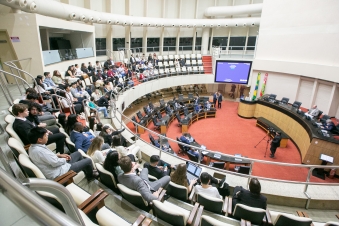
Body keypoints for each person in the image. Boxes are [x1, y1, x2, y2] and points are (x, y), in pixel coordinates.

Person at [28, 127, 96, 181]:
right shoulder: (40, 151)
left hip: (57, 166)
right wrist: (64, 159)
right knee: (88, 160)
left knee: (78, 154)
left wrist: (59, 155)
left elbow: (47, 158)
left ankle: (84, 169)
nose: (47, 136)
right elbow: (55, 163)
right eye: (45, 135)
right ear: (39, 139)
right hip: (59, 172)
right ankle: (90, 177)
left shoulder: (32, 147)